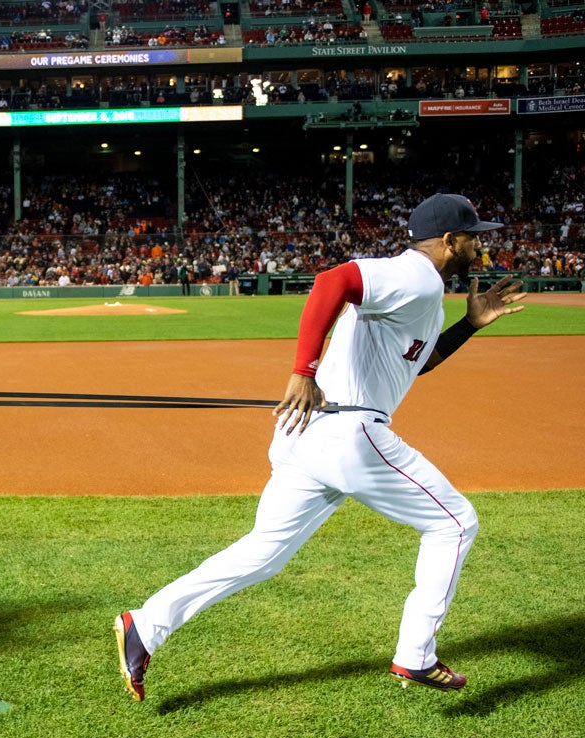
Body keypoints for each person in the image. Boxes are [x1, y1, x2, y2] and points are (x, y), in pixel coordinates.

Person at [114, 194, 526, 701]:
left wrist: (468, 325)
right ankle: (415, 655)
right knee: (455, 522)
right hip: (347, 431)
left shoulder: (423, 294)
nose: (479, 245)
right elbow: (334, 281)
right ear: (448, 241)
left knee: (263, 554)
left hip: (309, 436)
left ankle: (145, 624)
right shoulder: (415, 275)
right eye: (473, 236)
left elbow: (421, 362)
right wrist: (303, 371)